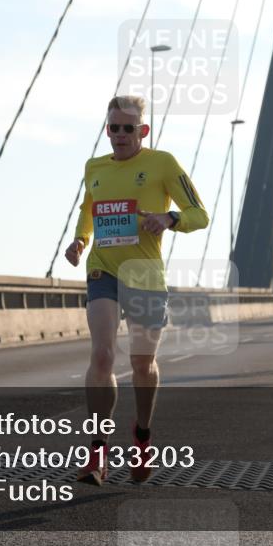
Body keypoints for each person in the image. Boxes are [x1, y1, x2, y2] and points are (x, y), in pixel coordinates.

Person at [65, 95, 208, 485]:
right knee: (103, 354)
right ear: (107, 128)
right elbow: (88, 210)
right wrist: (80, 240)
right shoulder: (93, 167)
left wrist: (169, 218)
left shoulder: (163, 164)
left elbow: (200, 214)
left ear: (143, 131)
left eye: (129, 128)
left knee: (143, 363)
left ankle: (142, 435)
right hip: (103, 270)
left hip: (145, 275)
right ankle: (97, 452)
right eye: (114, 127)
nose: (120, 135)